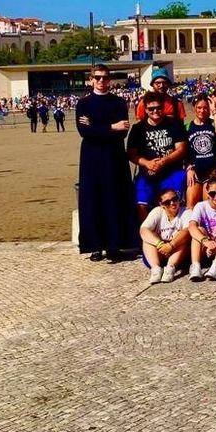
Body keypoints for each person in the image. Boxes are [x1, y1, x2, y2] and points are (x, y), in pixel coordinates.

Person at [76, 64, 137, 262]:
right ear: (91, 79)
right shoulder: (83, 104)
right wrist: (111, 127)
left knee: (114, 198)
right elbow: (85, 132)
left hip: (114, 157)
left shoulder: (118, 102)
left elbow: (123, 131)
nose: (101, 81)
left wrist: (96, 127)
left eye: (105, 77)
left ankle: (114, 245)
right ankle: (95, 246)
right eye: (98, 77)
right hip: (91, 158)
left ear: (109, 80)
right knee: (92, 200)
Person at [127, 91, 188, 222]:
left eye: (158, 108)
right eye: (151, 109)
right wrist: (147, 163)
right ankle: (147, 231)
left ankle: (173, 229)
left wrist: (164, 161)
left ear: (163, 107)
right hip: (147, 173)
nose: (155, 111)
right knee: (141, 205)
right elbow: (131, 153)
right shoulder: (138, 128)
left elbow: (181, 149)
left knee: (172, 202)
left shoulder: (174, 124)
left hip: (171, 171)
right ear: (145, 109)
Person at [139, 187, 191, 284]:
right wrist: (160, 244)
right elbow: (143, 230)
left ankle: (170, 268)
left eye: (175, 199)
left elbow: (187, 231)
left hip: (178, 254)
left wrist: (171, 245)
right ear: (161, 205)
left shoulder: (186, 212)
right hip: (159, 252)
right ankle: (156, 269)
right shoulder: (157, 211)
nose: (172, 203)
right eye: (167, 202)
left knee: (183, 236)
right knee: (148, 238)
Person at [185, 93, 216, 209]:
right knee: (191, 203)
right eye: (199, 107)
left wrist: (214, 110)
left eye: (205, 108)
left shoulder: (213, 123)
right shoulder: (187, 127)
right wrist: (189, 168)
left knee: (208, 203)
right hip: (195, 172)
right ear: (194, 107)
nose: (202, 111)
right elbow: (184, 152)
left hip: (212, 171)